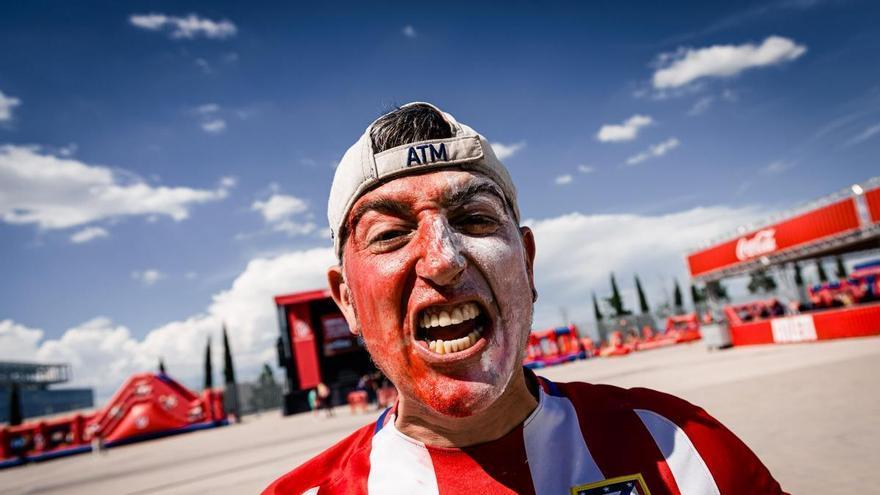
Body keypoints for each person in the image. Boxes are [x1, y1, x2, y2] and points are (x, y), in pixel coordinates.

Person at [263, 102, 786, 494]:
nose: (443, 258)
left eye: (475, 220)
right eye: (391, 234)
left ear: (527, 263)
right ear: (347, 300)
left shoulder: (682, 449)